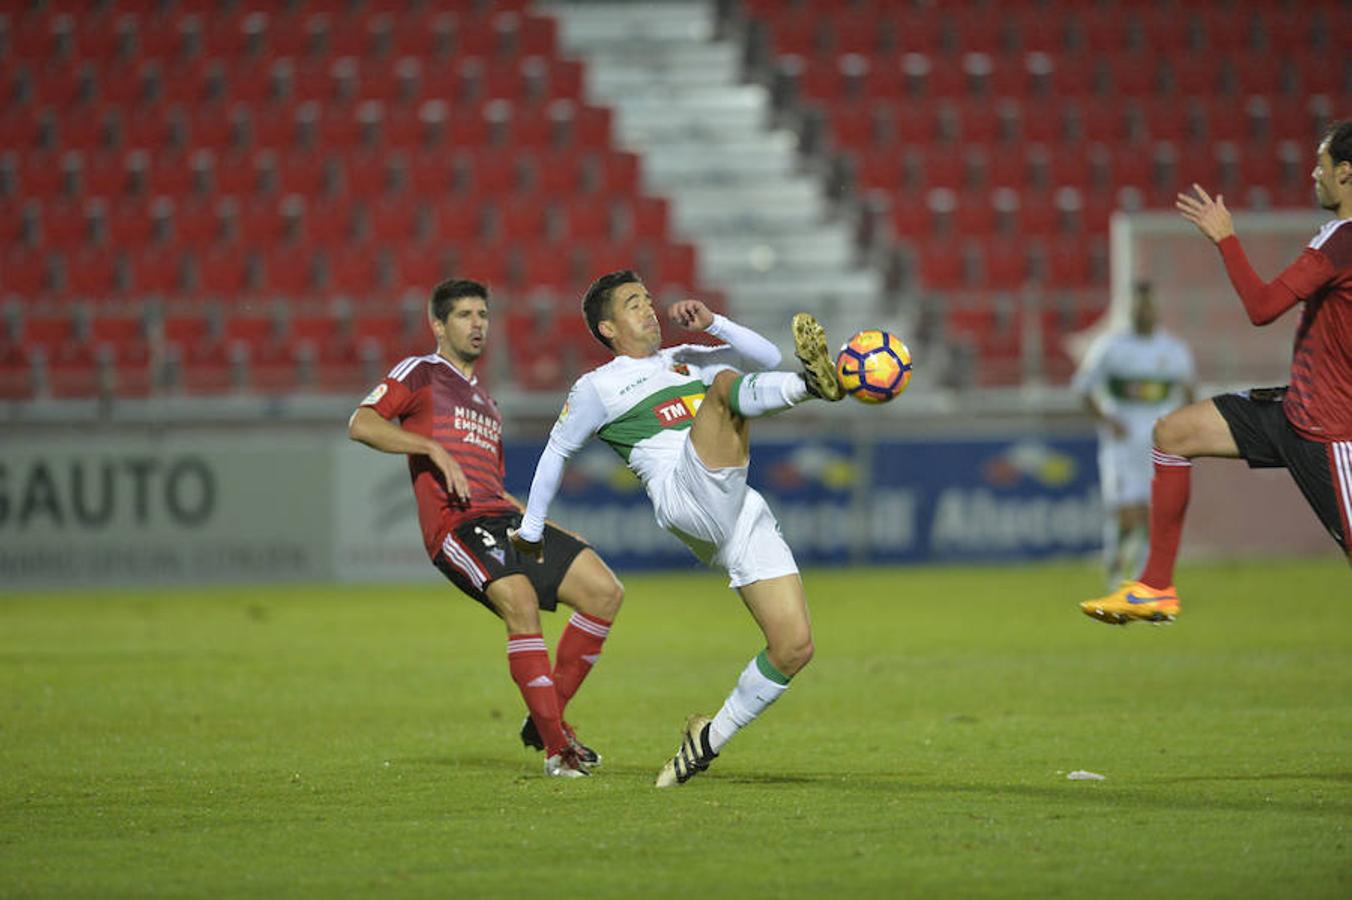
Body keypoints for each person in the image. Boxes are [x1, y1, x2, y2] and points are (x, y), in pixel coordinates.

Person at [507, 270, 846, 787]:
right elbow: (556, 452)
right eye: (632, 304)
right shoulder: (598, 386)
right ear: (607, 328)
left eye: (647, 299)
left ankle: (706, 740)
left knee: (794, 646)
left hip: (738, 508)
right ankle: (814, 387)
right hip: (683, 494)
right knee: (724, 390)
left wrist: (717, 323)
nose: (647, 309)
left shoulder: (685, 358)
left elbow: (768, 360)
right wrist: (530, 531)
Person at [348, 278, 624, 778]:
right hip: (458, 526)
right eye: (464, 315)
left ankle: (546, 720)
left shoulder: (487, 404)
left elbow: (493, 484)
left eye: (483, 315)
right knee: (519, 603)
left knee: (605, 591)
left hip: (503, 516)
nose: (477, 325)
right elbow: (362, 423)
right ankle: (558, 748)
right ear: (438, 324)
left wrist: (544, 524)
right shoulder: (421, 372)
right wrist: (429, 448)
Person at [1081, 119, 1352, 625]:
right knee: (1173, 432)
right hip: (1298, 411)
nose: (1313, 175)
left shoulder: (1342, 241)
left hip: (1332, 435)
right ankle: (1155, 586)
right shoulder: (1338, 239)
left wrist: (1226, 240)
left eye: (1321, 165)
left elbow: (1262, 305)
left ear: (1346, 174)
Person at [1072, 281, 1196, 588]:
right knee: (1126, 514)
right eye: (1139, 306)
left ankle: (1142, 579)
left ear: (1157, 309)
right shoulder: (1111, 347)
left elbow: (1190, 392)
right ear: (1131, 309)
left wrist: (1179, 428)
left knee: (1151, 513)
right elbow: (1083, 389)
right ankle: (1115, 569)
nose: (1145, 311)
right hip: (1121, 444)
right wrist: (1107, 420)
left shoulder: (1173, 349)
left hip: (1156, 444)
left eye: (1149, 305)